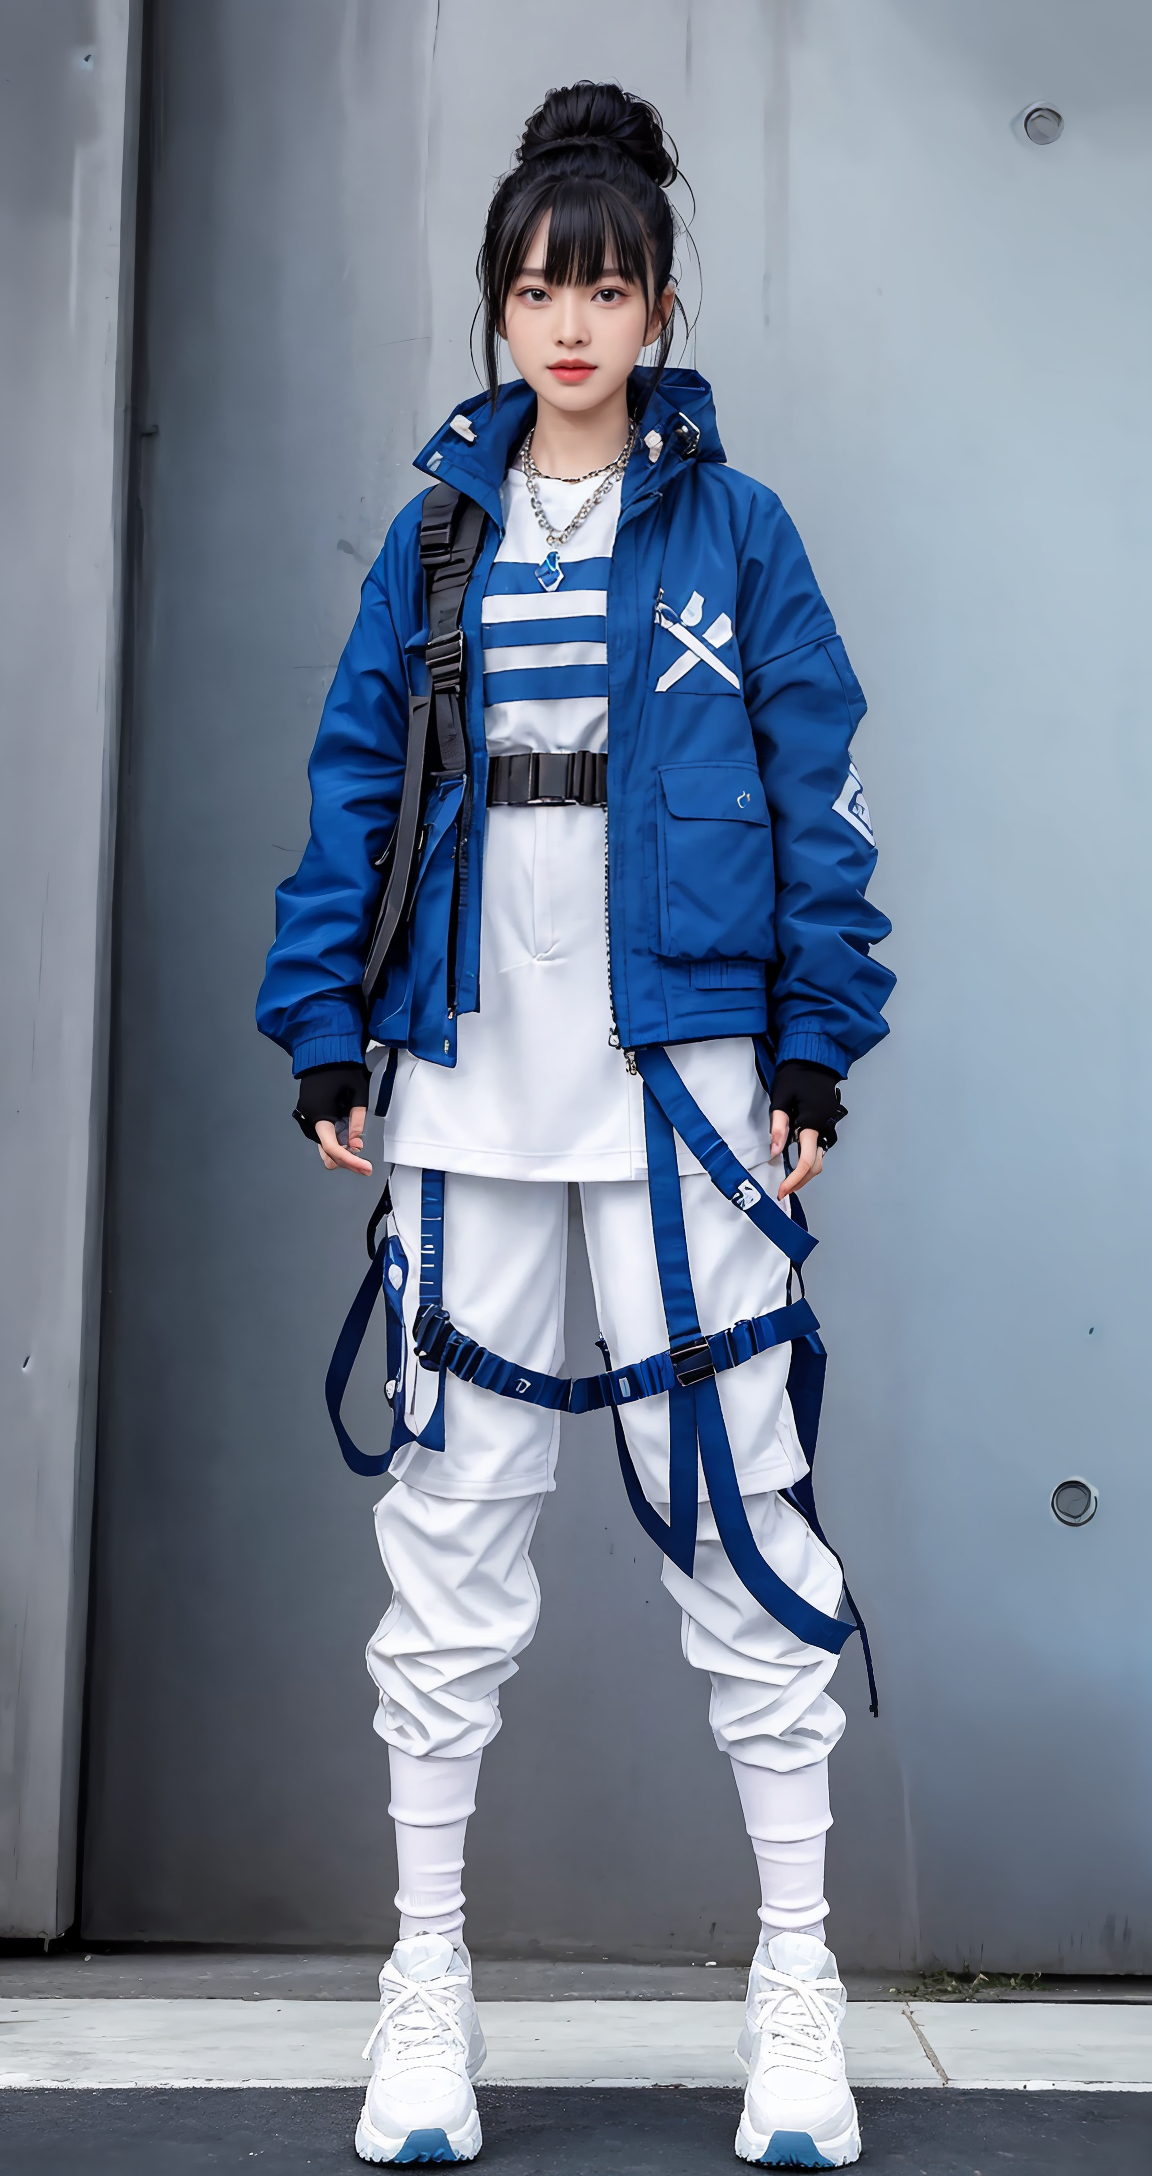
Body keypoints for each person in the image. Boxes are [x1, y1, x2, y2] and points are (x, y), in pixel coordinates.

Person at [257, 79, 893, 2171]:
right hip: (464, 1078)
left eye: (605, 290)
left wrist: (815, 1046)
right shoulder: (436, 535)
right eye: (538, 286)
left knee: (741, 1515)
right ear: (498, 304)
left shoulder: (736, 530)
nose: (568, 322)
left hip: (684, 1081)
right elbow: (358, 782)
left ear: (660, 310)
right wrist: (326, 1030)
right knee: (451, 1535)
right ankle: (425, 1982)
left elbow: (819, 795)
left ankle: (796, 1982)